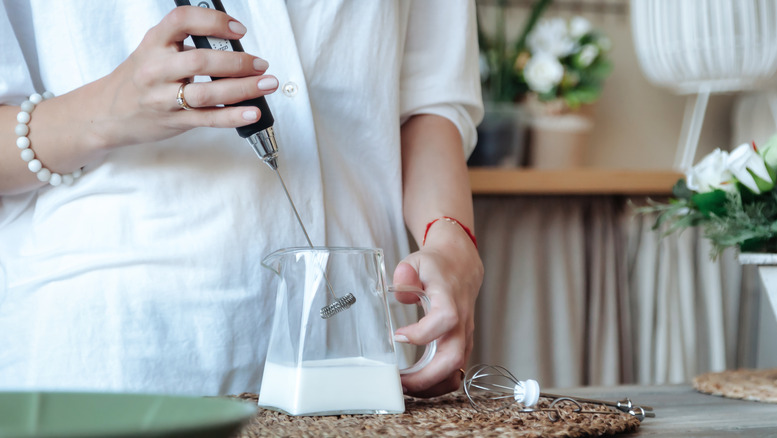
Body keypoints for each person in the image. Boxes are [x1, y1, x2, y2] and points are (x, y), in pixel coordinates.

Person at [0, 1, 483, 397]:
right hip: (123, 356)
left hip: (357, 341)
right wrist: (110, 108)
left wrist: (449, 238)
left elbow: (428, 99)